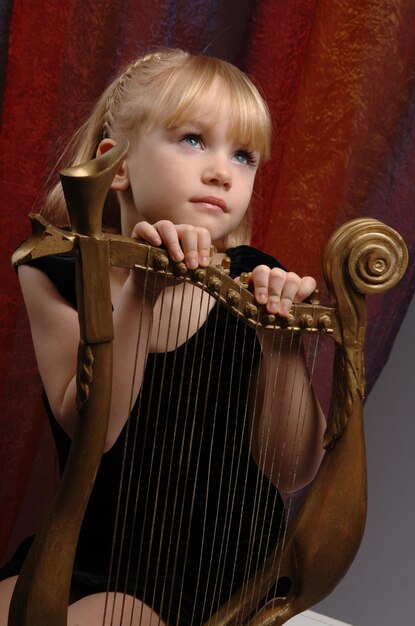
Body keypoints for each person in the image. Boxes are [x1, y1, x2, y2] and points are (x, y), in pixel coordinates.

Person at [0, 49, 326, 626]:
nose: (222, 171)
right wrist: (142, 295)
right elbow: (90, 434)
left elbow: (294, 469)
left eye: (244, 155)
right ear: (115, 165)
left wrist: (282, 346)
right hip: (90, 544)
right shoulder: (53, 270)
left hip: (216, 566)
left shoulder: (255, 279)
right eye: (194, 140)